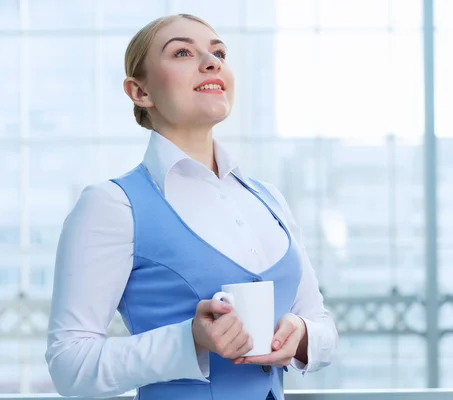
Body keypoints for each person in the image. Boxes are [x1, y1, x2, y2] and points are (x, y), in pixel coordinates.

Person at [45, 13, 338, 400]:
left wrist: (302, 336)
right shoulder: (112, 206)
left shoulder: (269, 200)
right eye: (182, 52)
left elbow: (322, 324)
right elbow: (70, 366)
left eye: (219, 52)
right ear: (140, 92)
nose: (212, 61)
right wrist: (190, 341)